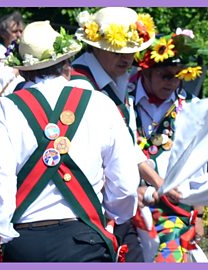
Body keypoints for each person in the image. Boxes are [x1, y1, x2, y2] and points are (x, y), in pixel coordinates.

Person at [0, 20, 139, 262]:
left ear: (22, 70)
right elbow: (125, 186)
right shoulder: (101, 104)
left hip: (25, 244)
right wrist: (112, 216)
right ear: (68, 64)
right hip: (86, 241)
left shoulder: (5, 108)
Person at [72, 7, 172, 262]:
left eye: (131, 50)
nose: (127, 58)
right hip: (87, 208)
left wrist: (159, 182)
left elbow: (127, 142)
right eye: (119, 50)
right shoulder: (79, 86)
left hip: (115, 205)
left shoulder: (115, 79)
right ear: (96, 47)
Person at [131, 28, 208, 262]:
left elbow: (199, 171)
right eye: (166, 75)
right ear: (145, 72)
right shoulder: (123, 102)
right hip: (129, 206)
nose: (173, 82)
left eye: (178, 75)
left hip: (173, 211)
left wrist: (199, 217)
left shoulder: (192, 109)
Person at [0, 11, 25, 97]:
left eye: (21, 31)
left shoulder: (26, 53)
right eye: (15, 31)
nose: (19, 35)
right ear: (3, 33)